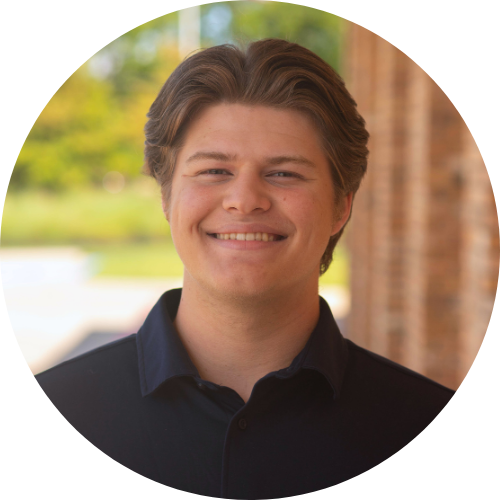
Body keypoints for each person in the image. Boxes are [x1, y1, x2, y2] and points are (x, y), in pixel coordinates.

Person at [36, 39, 454, 499]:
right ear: (167, 197)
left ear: (341, 206)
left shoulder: (433, 430)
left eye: (284, 173)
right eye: (214, 171)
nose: (244, 200)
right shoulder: (48, 418)